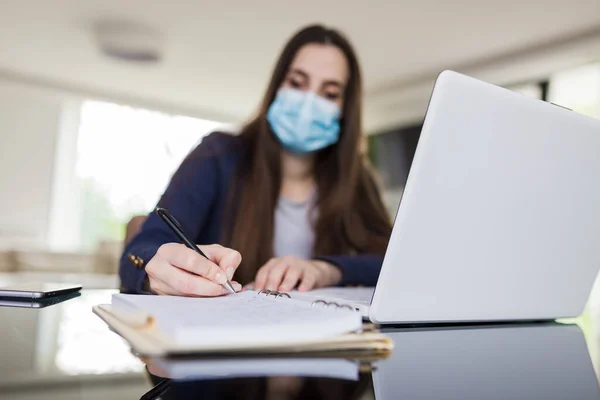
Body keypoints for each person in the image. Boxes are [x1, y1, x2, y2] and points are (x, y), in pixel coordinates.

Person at [119, 24, 392, 296]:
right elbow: (140, 250)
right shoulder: (217, 156)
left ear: (346, 109)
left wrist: (326, 270)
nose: (309, 104)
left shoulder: (358, 181)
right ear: (276, 87)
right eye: (297, 83)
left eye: (330, 93)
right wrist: (158, 269)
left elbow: (393, 262)